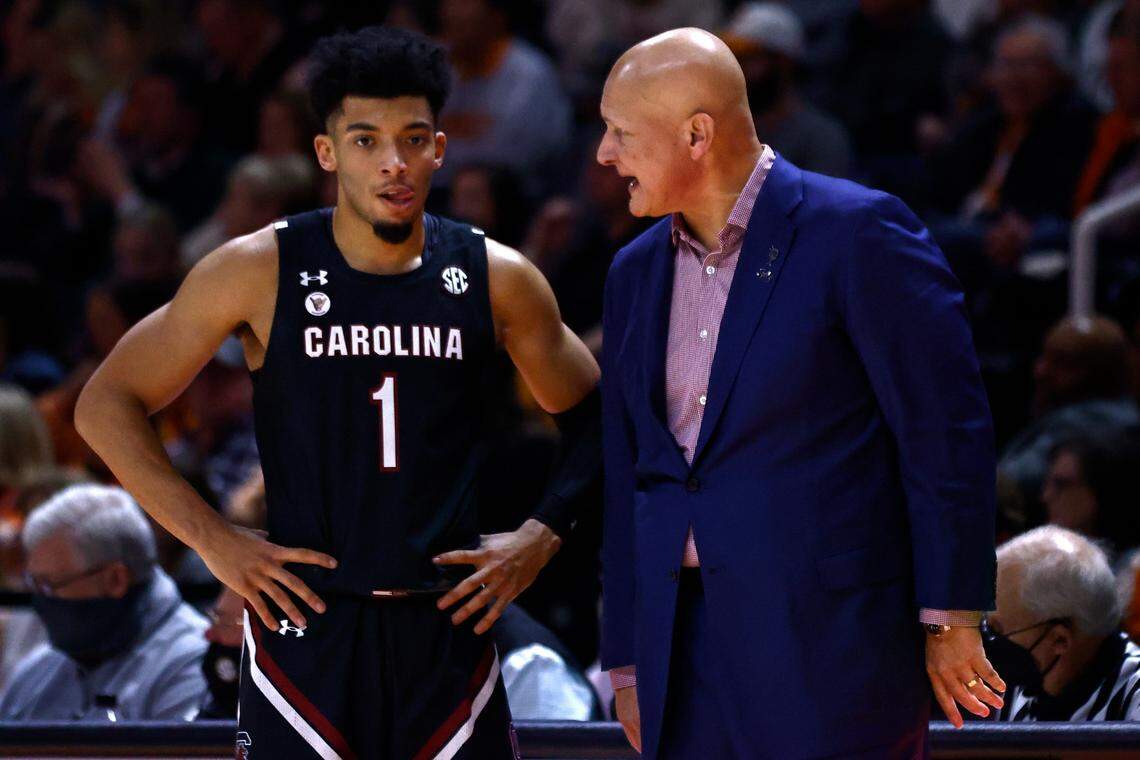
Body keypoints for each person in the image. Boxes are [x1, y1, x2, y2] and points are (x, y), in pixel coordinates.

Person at [75, 26, 600, 759]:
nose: (394, 163)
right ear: (326, 153)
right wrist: (214, 541)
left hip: (444, 629)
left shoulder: (496, 277)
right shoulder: (258, 269)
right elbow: (105, 404)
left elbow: (596, 419)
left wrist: (540, 538)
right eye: (365, 140)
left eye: (414, 139)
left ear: (440, 149)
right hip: (308, 632)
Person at [597, 28, 1003, 759]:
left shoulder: (857, 231)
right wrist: (625, 657)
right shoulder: (632, 271)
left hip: (830, 644)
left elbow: (944, 431)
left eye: (621, 132)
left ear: (697, 134)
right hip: (679, 647)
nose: (603, 154)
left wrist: (950, 616)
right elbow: (631, 475)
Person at [0, 484, 208, 720]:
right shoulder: (40, 669)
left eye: (49, 584)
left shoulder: (193, 667)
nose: (40, 600)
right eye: (34, 584)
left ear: (115, 579)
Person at [987, 525, 1140, 721]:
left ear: (1060, 640)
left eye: (998, 629)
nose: (988, 638)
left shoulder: (1132, 700)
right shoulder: (1015, 687)